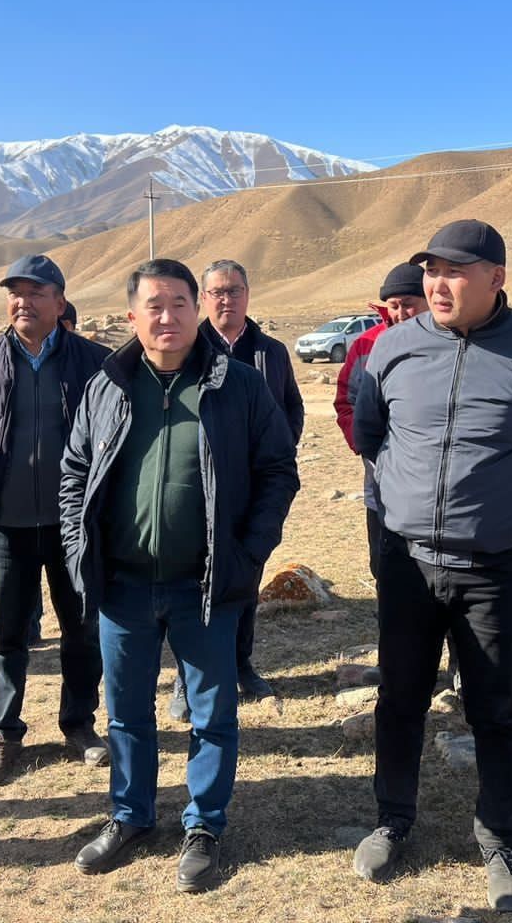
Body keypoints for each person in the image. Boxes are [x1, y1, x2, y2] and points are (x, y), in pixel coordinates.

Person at [351, 220, 512, 912]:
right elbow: (370, 433)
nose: (437, 283)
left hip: (494, 566)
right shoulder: (393, 347)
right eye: (431, 269)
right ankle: (392, 819)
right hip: (406, 561)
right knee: (400, 699)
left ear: (496, 278)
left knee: (493, 707)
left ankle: (501, 837)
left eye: (455, 270)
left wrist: (506, 504)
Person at [61, 258, 299, 893]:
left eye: (179, 304)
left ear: (198, 310)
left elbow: (278, 470)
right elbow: (74, 471)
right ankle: (130, 814)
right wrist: (78, 549)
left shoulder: (239, 385)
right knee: (125, 712)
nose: (167, 317)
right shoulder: (107, 385)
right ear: (132, 316)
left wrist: (249, 553)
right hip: (122, 586)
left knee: (212, 715)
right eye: (154, 306)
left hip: (207, 585)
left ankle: (204, 826)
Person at [0, 254, 111, 784]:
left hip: (75, 524)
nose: (23, 302)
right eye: (15, 293)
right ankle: (5, 731)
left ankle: (79, 724)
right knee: (7, 632)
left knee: (81, 628)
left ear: (60, 303)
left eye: (36, 292)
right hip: (6, 521)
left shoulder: (94, 362)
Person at [156, 258, 302, 715]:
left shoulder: (271, 352)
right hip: (196, 490)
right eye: (217, 292)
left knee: (245, 577)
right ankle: (186, 678)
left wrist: (274, 456)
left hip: (253, 492)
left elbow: (291, 410)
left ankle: (240, 664)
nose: (226, 300)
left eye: (234, 290)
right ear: (203, 299)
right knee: (190, 586)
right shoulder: (188, 350)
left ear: (247, 295)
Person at [333, 262, 428, 578]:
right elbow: (346, 401)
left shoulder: (451, 342)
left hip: (434, 491)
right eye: (394, 305)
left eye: (409, 304)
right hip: (381, 486)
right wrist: (366, 445)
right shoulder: (366, 345)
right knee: (385, 567)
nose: (401, 313)